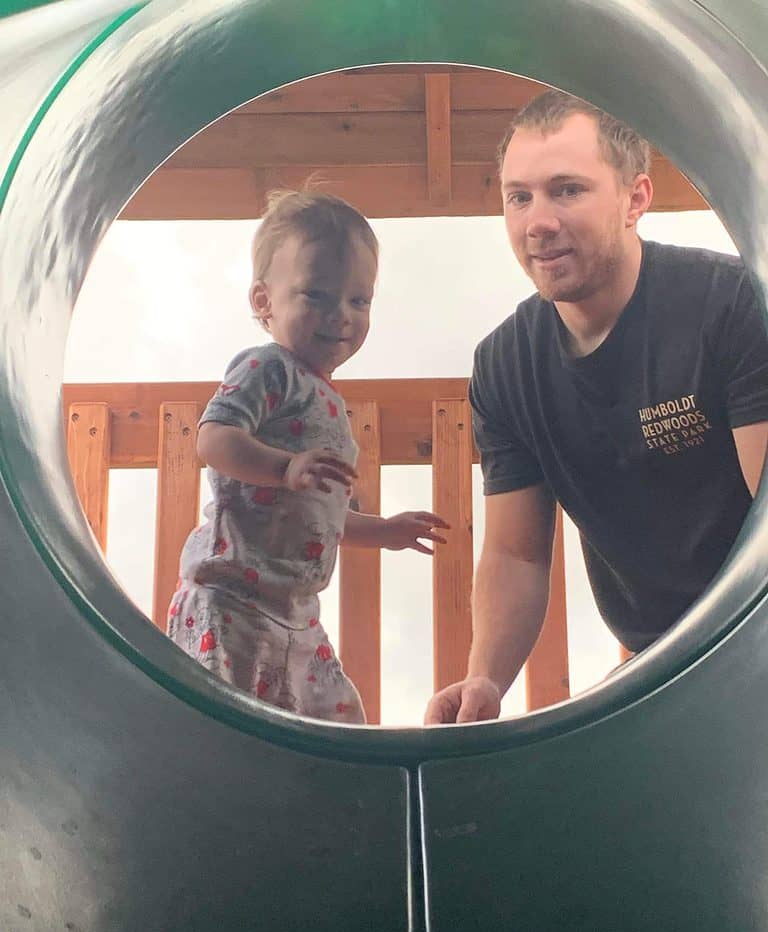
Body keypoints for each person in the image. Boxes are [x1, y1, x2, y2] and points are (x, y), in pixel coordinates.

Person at [425, 89, 768, 725]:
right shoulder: (504, 365)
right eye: (519, 196)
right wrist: (486, 679)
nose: (539, 221)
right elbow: (516, 555)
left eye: (567, 190)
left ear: (637, 198)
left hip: (754, 637)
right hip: (654, 657)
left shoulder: (730, 305)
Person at [168, 189, 448, 723]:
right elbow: (214, 438)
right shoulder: (266, 368)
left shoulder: (331, 404)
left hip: (296, 614)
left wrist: (381, 529)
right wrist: (283, 467)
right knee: (229, 732)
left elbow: (321, 517)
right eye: (316, 295)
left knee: (339, 724)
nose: (339, 316)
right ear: (263, 301)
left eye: (358, 301)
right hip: (233, 601)